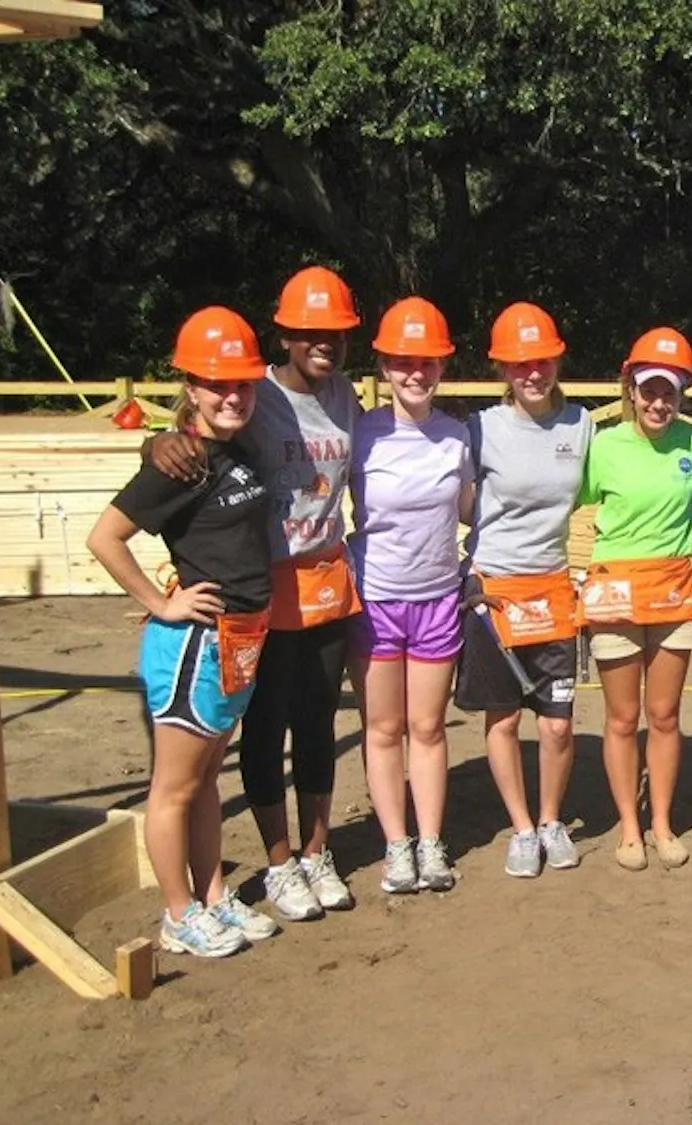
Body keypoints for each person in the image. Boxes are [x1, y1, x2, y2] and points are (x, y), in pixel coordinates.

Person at [149, 265, 364, 922]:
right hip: (261, 590)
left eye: (334, 332)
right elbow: (200, 443)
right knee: (265, 729)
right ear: (286, 334)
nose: (322, 343)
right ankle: (278, 862)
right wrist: (157, 440)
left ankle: (317, 851)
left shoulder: (347, 395)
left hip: (327, 583)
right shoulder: (257, 395)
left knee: (319, 723)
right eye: (308, 332)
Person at [88, 308, 277, 956]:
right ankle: (177, 913)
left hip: (240, 642)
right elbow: (104, 536)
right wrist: (159, 603)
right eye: (217, 383)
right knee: (172, 789)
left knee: (203, 782)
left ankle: (214, 894)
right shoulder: (179, 462)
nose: (232, 395)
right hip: (196, 644)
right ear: (190, 386)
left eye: (243, 383)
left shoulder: (235, 446)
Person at [456, 301, 593, 878]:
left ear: (556, 358)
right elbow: (459, 505)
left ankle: (551, 821)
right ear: (501, 370)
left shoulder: (582, 425)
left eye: (540, 361)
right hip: (495, 594)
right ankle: (520, 829)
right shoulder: (481, 429)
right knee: (505, 719)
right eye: (517, 364)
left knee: (557, 722)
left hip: (553, 590)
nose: (531, 373)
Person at [348, 298, 474, 894]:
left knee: (427, 728)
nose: (415, 373)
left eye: (427, 362)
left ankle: (430, 843)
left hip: (437, 602)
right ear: (383, 366)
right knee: (383, 729)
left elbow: (476, 512)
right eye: (403, 362)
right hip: (375, 603)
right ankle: (396, 847)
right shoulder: (360, 435)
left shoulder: (456, 438)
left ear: (442, 367)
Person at [578, 327, 692, 872]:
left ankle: (661, 823)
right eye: (648, 389)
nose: (658, 402)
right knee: (623, 718)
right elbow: (552, 496)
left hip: (673, 591)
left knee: (665, 714)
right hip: (615, 594)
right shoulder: (601, 446)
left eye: (669, 392)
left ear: (682, 394)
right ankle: (629, 826)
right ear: (630, 388)